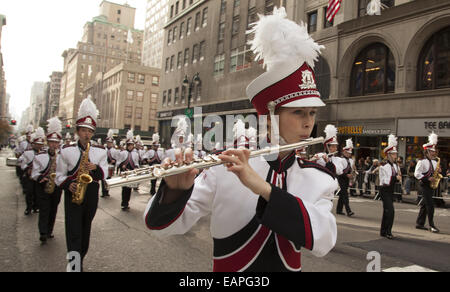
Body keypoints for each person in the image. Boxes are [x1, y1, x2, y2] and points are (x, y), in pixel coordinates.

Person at [144, 7, 338, 272]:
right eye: (298, 112)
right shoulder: (226, 166)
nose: (308, 122)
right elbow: (163, 227)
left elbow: (325, 240)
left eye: (312, 113)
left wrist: (263, 188)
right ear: (269, 116)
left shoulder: (318, 177)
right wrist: (175, 192)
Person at [55, 96, 108, 271]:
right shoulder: (66, 150)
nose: (87, 134)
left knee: (85, 233)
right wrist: (68, 184)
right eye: (83, 130)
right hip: (73, 194)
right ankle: (74, 266)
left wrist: (95, 168)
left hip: (91, 194)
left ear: (93, 133)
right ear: (77, 131)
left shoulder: (100, 151)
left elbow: (105, 173)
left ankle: (79, 260)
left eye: (90, 131)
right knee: (73, 233)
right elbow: (59, 176)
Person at [32, 117, 63, 244]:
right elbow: (34, 172)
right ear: (47, 142)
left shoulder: (62, 157)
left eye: (56, 143)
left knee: (53, 209)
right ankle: (43, 232)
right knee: (44, 209)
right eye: (51, 142)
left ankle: (49, 230)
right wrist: (41, 177)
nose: (53, 145)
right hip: (43, 186)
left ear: (59, 143)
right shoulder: (40, 156)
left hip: (56, 186)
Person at [415, 132, 440, 233]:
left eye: (434, 152)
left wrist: (437, 173)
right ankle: (432, 225)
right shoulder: (422, 162)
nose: (434, 153)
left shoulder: (435, 162)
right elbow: (417, 174)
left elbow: (434, 174)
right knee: (430, 205)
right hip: (424, 185)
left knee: (425, 205)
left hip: (431, 186)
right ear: (427, 152)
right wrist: (427, 179)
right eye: (432, 152)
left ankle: (419, 223)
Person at [379, 135, 401, 239]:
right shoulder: (384, 166)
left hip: (391, 190)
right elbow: (385, 181)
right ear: (388, 154)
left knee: (387, 211)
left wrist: (398, 178)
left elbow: (394, 179)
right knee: (390, 211)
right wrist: (395, 178)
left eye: (396, 153)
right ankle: (388, 231)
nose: (395, 155)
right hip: (384, 190)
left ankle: (383, 231)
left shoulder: (396, 166)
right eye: (393, 153)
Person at [21, 128, 46, 215]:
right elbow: (22, 163)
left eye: (40, 144)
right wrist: (27, 169)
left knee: (38, 193)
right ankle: (28, 208)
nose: (39, 146)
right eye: (37, 144)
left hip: (39, 176)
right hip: (29, 176)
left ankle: (36, 207)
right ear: (33, 144)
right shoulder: (28, 153)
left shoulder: (44, 154)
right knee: (29, 192)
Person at [116, 130, 140, 211]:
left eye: (131, 145)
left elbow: (136, 163)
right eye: (129, 145)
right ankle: (123, 203)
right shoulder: (122, 153)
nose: (130, 146)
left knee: (129, 188)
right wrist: (121, 166)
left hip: (131, 173)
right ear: (127, 145)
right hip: (124, 172)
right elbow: (118, 162)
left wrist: (136, 168)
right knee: (124, 188)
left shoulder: (136, 154)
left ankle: (127, 203)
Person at [335, 139, 355, 217]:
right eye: (347, 152)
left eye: (350, 153)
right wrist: (346, 175)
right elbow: (339, 171)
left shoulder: (351, 160)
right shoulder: (341, 160)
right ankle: (348, 210)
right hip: (341, 178)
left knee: (342, 194)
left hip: (347, 178)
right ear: (344, 152)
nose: (349, 154)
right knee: (345, 194)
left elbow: (351, 169)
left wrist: (352, 173)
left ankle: (339, 210)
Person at [101, 129, 119, 198]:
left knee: (109, 179)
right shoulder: (103, 149)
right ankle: (103, 192)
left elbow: (116, 158)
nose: (109, 143)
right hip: (104, 166)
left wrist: (114, 161)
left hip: (110, 166)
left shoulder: (114, 150)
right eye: (108, 142)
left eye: (110, 143)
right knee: (103, 179)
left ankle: (107, 191)